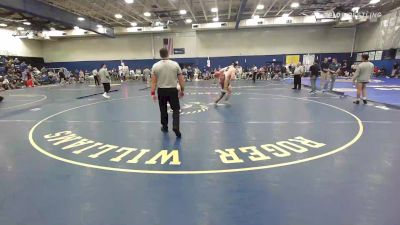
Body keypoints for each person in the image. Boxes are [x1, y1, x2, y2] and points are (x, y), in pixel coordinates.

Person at [151, 48, 185, 138]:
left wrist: (153, 93)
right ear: (168, 54)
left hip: (161, 91)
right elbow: (181, 79)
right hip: (172, 90)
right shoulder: (175, 64)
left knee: (163, 109)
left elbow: (153, 82)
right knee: (176, 109)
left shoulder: (155, 66)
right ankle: (175, 126)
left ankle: (165, 127)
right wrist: (182, 89)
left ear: (160, 54)